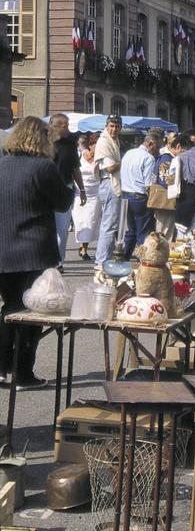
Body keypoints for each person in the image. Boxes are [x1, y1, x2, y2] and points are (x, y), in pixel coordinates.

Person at [0, 117, 74, 389]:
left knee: (9, 308)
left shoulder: (1, 163)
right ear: (42, 138)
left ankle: (3, 367)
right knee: (33, 312)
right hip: (33, 250)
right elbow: (63, 203)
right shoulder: (43, 167)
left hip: (3, 250)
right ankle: (23, 373)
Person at [120, 128, 165, 259]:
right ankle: (144, 261)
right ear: (151, 144)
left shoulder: (128, 153)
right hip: (139, 197)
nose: (157, 150)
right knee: (143, 233)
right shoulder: (148, 158)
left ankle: (124, 258)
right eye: (157, 147)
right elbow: (148, 184)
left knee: (131, 231)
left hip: (126, 196)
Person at [50, 113, 86, 267]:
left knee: (62, 230)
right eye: (65, 125)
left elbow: (75, 168)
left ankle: (58, 263)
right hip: (45, 190)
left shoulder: (70, 144)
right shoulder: (43, 142)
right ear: (56, 126)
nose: (67, 128)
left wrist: (82, 189)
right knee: (46, 229)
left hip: (65, 188)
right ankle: (46, 262)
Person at [93, 115, 123, 273]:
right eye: (112, 126)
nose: (114, 129)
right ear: (107, 126)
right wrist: (122, 162)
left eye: (117, 126)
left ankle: (105, 259)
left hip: (111, 184)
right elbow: (110, 168)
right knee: (109, 226)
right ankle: (101, 262)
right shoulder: (104, 141)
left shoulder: (115, 140)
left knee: (112, 225)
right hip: (108, 183)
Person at [152, 133, 192, 241]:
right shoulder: (167, 159)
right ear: (178, 147)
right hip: (165, 202)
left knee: (167, 233)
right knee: (164, 234)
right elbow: (165, 181)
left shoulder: (169, 159)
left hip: (167, 202)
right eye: (185, 151)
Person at [73, 133, 101, 260]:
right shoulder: (79, 155)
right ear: (90, 145)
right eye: (96, 145)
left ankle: (84, 248)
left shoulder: (101, 158)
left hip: (95, 193)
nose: (98, 148)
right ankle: (81, 245)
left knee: (90, 221)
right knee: (80, 221)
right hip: (79, 193)